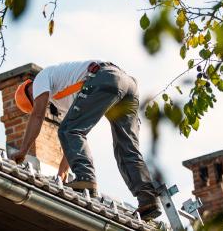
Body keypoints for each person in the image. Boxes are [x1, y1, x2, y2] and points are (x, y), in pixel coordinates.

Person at [11, 60, 161, 220]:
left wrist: (23, 151)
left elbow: (39, 116)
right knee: (126, 148)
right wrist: (63, 172)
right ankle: (148, 200)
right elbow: (72, 137)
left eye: (34, 100)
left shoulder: (40, 78)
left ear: (30, 90)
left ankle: (86, 179)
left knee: (69, 130)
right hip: (127, 84)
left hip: (105, 77)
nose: (39, 102)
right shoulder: (63, 99)